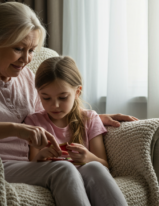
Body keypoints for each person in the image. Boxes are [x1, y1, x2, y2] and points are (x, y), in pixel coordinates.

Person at [0, 2, 136, 205]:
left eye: (32, 50)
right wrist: (16, 129)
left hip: (33, 164)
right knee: (63, 168)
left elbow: (50, 112)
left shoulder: (26, 77)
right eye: (18, 49)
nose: (26, 59)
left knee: (92, 168)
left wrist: (94, 117)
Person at [24, 56, 128, 205]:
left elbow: (103, 164)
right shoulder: (34, 122)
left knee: (94, 167)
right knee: (68, 168)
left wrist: (88, 157)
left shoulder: (89, 119)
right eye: (46, 98)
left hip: (87, 176)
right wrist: (41, 156)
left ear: (77, 92)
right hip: (57, 178)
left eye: (63, 97)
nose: (55, 105)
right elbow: (32, 166)